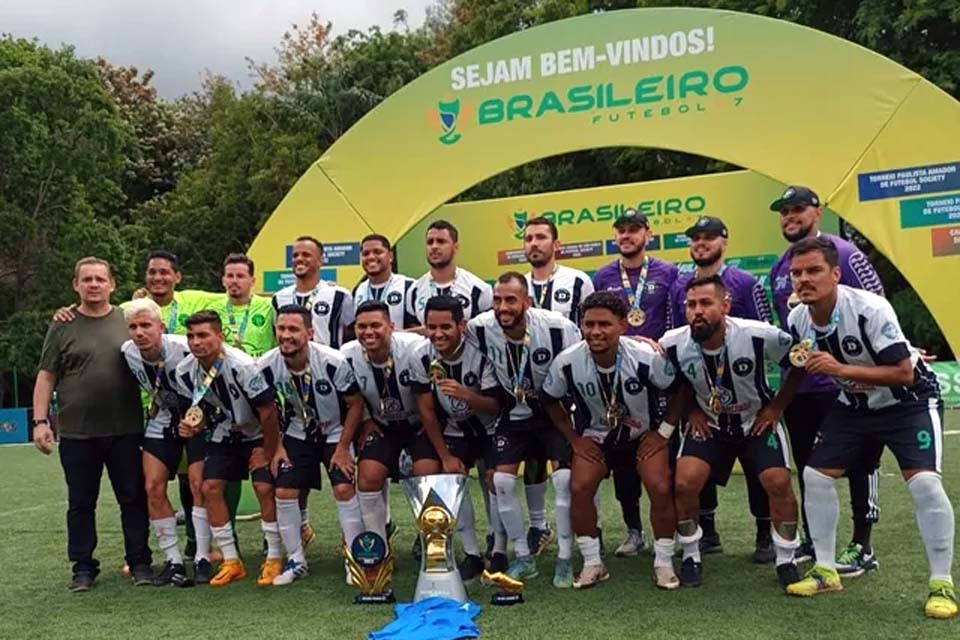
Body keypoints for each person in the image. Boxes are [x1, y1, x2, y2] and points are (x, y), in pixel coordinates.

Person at [782, 237, 955, 619]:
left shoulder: (870, 309)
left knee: (925, 483)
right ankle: (826, 570)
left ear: (836, 274)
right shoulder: (797, 318)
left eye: (814, 271)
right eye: (797, 273)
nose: (803, 280)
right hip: (855, 406)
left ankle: (941, 583)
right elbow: (798, 362)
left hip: (906, 402)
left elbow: (904, 373)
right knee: (815, 476)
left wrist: (840, 370)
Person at [768, 186, 884, 575]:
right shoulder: (779, 267)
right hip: (802, 386)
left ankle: (861, 544)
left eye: (798, 209)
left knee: (861, 462)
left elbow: (877, 306)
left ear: (817, 213)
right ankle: (817, 539)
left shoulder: (844, 254)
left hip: (847, 384)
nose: (790, 217)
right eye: (784, 212)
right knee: (809, 467)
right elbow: (787, 332)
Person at [660, 275, 802, 591]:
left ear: (725, 305)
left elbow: (798, 362)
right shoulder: (673, 342)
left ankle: (786, 559)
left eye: (706, 303)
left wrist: (777, 407)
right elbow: (673, 383)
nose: (697, 311)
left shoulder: (758, 335)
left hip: (755, 422)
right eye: (691, 305)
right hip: (709, 424)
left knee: (777, 481)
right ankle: (692, 555)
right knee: (684, 482)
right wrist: (690, 411)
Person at [542, 291, 680, 589]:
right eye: (588, 324)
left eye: (604, 324)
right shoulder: (568, 361)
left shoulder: (646, 357)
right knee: (577, 485)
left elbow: (679, 390)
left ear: (622, 325)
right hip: (596, 437)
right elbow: (549, 399)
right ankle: (594, 563)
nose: (595, 332)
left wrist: (662, 432)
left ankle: (664, 562)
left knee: (659, 484)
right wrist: (574, 440)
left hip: (642, 434)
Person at [32, 257, 152, 592]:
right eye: (87, 279)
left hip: (126, 430)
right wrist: (41, 421)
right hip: (77, 433)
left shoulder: (128, 319)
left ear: (113, 284)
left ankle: (140, 562)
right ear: (76, 285)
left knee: (133, 498)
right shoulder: (62, 324)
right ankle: (83, 568)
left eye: (101, 279)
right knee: (81, 503)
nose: (94, 285)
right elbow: (46, 375)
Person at [669, 215, 775, 562]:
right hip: (702, 393)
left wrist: (767, 400)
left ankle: (765, 535)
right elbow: (678, 349)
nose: (701, 243)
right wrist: (692, 408)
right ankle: (708, 533)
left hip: (746, 394)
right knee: (699, 464)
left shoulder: (744, 283)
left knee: (760, 466)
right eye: (695, 238)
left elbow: (768, 337)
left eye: (709, 237)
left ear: (724, 242)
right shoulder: (679, 286)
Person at [468, 272, 580, 588]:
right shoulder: (480, 327)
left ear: (527, 303)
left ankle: (565, 558)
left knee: (564, 479)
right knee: (501, 481)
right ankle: (523, 558)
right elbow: (445, 334)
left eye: (511, 300)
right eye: (498, 300)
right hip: (514, 412)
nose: (502, 307)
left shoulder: (558, 328)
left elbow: (584, 355)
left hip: (552, 411)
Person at [256, 305, 366, 585]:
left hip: (334, 432)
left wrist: (343, 448)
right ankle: (296, 560)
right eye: (281, 329)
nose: (286, 335)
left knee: (343, 487)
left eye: (293, 329)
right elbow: (265, 410)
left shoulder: (332, 361)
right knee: (284, 489)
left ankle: (355, 559)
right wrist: (275, 447)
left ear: (309, 332)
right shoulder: (267, 365)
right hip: (297, 432)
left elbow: (355, 405)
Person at [591, 209, 678, 557]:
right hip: (618, 377)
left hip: (657, 375)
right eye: (621, 231)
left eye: (633, 230)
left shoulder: (668, 273)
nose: (627, 236)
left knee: (665, 457)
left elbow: (675, 319)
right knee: (624, 454)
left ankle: (681, 531)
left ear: (648, 234)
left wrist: (665, 344)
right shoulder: (603, 275)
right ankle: (633, 530)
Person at [173, 311, 282, 587]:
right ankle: (232, 560)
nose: (196, 342)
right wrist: (192, 426)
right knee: (210, 487)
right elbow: (199, 410)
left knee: (264, 488)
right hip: (225, 433)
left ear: (219, 337)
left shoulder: (243, 366)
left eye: (203, 335)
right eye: (191, 336)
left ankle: (274, 558)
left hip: (258, 432)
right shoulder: (184, 371)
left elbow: (268, 411)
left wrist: (267, 452)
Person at [409, 296, 505, 580]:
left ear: (461, 325)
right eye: (431, 327)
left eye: (445, 327)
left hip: (490, 427)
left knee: (495, 479)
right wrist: (446, 456)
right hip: (453, 430)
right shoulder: (421, 356)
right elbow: (426, 410)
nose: (438, 334)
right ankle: (472, 554)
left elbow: (496, 405)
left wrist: (468, 396)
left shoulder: (482, 351)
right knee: (451, 479)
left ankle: (498, 550)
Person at [341, 301, 442, 556]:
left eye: (376, 325)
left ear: (391, 327)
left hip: (419, 424)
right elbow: (349, 398)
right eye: (361, 327)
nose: (368, 332)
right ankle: (377, 550)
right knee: (368, 475)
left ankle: (430, 541)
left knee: (425, 472)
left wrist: (433, 424)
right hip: (383, 425)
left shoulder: (415, 349)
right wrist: (365, 421)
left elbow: (434, 393)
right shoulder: (347, 354)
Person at [521, 216, 596, 557]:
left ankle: (587, 524)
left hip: (569, 388)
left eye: (540, 237)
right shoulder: (516, 286)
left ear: (556, 245)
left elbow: (591, 329)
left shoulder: (577, 281)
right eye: (528, 238)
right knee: (534, 458)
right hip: (527, 388)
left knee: (571, 462)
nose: (533, 243)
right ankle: (539, 526)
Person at [121, 299, 199, 587]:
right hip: (163, 417)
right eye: (133, 326)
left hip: (200, 418)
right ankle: (173, 560)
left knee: (198, 485)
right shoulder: (127, 352)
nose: (139, 332)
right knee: (153, 486)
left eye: (146, 325)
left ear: (161, 327)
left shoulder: (185, 348)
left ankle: (202, 556)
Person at [272, 236, 355, 348]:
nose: (299, 259)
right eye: (295, 255)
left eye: (306, 255)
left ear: (320, 261)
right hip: (291, 363)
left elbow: (352, 332)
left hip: (327, 363)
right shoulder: (279, 297)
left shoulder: (339, 295)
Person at [408, 220, 493, 326]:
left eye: (441, 241)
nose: (434, 246)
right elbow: (413, 335)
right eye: (430, 242)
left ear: (456, 247)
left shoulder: (479, 289)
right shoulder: (414, 291)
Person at [212, 253, 276, 358]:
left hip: (260, 371)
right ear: (223, 281)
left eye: (240, 276)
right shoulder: (213, 310)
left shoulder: (269, 307)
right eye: (230, 276)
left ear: (252, 281)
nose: (234, 281)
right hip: (225, 371)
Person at [353, 234, 419, 329]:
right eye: (365, 254)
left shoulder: (409, 286)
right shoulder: (358, 290)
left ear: (390, 256)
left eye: (377, 252)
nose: (371, 257)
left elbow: (426, 329)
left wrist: (392, 335)